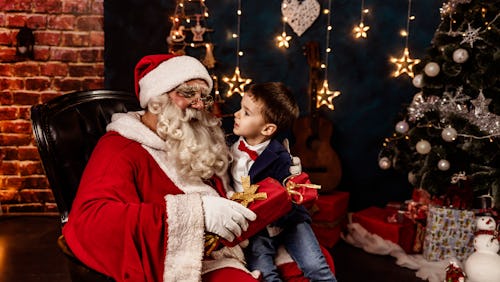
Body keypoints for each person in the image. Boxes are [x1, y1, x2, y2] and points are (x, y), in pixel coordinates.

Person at [62, 54, 260, 282]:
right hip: (180, 266)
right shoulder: (119, 148)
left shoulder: (193, 141)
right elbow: (92, 222)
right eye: (187, 93)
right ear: (157, 99)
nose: (198, 104)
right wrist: (198, 213)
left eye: (203, 96)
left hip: (229, 249)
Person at [229, 82, 337, 282]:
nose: (236, 114)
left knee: (315, 265)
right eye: (240, 108)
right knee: (264, 271)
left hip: (289, 221)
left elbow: (293, 187)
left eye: (246, 112)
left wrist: (295, 186)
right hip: (256, 226)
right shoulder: (228, 149)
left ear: (268, 128)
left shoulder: (280, 157)